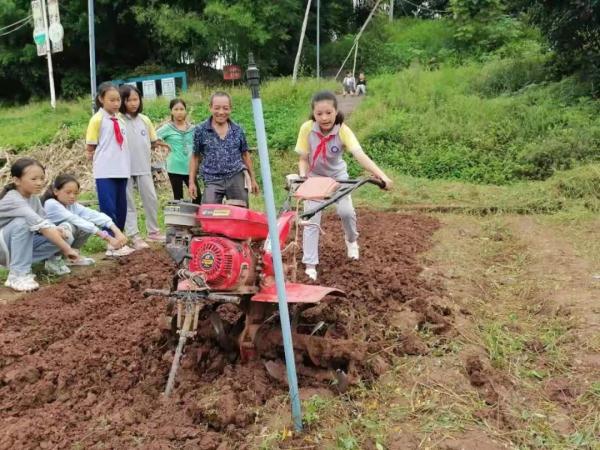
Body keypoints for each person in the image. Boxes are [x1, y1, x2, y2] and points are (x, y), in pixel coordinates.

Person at [295, 91, 393, 281]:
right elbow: (303, 158)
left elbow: (360, 155)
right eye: (319, 114)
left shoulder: (342, 130)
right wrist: (302, 176)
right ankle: (310, 265)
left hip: (338, 178)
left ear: (336, 111)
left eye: (328, 113)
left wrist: (382, 176)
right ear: (313, 114)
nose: (324, 118)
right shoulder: (307, 129)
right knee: (311, 219)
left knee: (346, 213)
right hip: (314, 179)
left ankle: (351, 241)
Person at [0, 158, 79, 292]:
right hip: (3, 247)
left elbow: (45, 223)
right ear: (16, 180)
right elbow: (43, 227)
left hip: (14, 245)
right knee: (23, 222)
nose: (39, 183)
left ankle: (47, 263)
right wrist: (67, 249)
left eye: (42, 178)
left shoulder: (33, 199)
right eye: (34, 179)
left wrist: (59, 230)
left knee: (64, 233)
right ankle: (17, 274)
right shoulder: (13, 199)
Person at [85, 82, 135, 257]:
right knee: (108, 208)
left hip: (122, 169)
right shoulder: (97, 119)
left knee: (122, 206)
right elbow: (90, 146)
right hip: (105, 170)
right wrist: (92, 155)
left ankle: (120, 239)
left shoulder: (120, 118)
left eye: (118, 100)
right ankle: (111, 244)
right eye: (111, 100)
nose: (116, 103)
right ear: (101, 99)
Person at [188, 91, 259, 206]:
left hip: (236, 176)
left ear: (230, 109)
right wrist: (191, 182)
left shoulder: (238, 130)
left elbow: (245, 155)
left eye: (225, 108)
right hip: (212, 179)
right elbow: (195, 157)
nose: (221, 112)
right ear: (210, 108)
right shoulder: (200, 130)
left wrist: (253, 179)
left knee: (240, 213)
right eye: (217, 108)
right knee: (209, 214)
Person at [119, 84, 167, 250]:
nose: (133, 103)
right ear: (122, 101)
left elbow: (153, 141)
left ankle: (153, 231)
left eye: (136, 99)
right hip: (124, 169)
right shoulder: (117, 120)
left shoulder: (144, 120)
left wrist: (161, 144)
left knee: (151, 199)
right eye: (129, 100)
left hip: (144, 166)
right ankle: (134, 235)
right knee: (129, 203)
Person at [43, 174, 129, 263]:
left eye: (75, 193)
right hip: (44, 242)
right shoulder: (51, 204)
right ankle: (54, 260)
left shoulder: (72, 205)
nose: (72, 196)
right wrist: (109, 239)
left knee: (86, 222)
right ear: (56, 191)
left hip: (59, 241)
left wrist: (116, 230)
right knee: (69, 226)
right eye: (68, 192)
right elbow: (77, 220)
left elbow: (93, 215)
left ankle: (72, 257)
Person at [156, 98, 199, 203]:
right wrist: (165, 144)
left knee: (197, 197)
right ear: (171, 111)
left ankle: (195, 219)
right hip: (174, 167)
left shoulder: (193, 128)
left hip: (190, 167)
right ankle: (180, 219)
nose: (179, 112)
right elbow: (152, 138)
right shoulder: (167, 128)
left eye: (181, 109)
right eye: (176, 109)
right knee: (178, 198)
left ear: (185, 111)